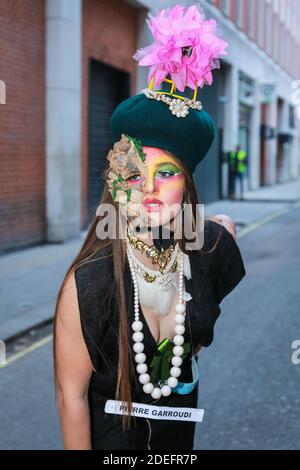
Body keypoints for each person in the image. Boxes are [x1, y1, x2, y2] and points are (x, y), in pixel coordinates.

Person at [53, 4, 246, 450]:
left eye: (167, 172)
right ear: (116, 181)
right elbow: (71, 397)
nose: (149, 190)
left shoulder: (209, 249)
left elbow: (225, 228)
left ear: (188, 183)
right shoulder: (90, 286)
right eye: (135, 172)